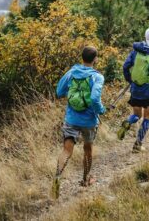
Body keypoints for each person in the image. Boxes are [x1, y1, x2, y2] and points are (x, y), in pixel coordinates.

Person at [52, 46, 106, 199]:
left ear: (81, 57)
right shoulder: (97, 77)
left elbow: (59, 92)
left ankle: (57, 177)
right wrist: (101, 110)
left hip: (71, 119)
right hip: (89, 120)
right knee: (87, 149)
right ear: (95, 59)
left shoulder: (71, 73)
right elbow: (95, 99)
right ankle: (85, 179)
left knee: (67, 150)